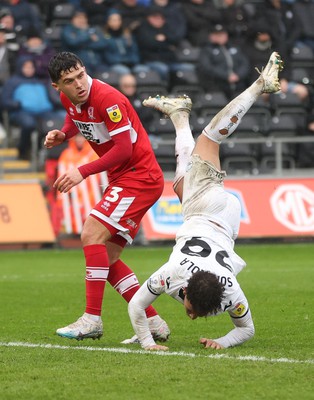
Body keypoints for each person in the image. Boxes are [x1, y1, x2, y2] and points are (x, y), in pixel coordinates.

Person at [126, 51, 284, 351]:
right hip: (207, 208)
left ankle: (179, 114)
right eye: (193, 308)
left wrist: (220, 341)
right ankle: (261, 85)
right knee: (210, 138)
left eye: (195, 312)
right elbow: (135, 306)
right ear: (185, 288)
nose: (192, 315)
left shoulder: (228, 289)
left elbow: (246, 330)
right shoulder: (174, 275)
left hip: (222, 222)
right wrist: (147, 343)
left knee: (179, 184)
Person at [44, 51, 170, 341]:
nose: (79, 84)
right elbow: (75, 117)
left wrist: (82, 172)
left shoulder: (107, 98)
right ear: (57, 87)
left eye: (81, 75)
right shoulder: (70, 98)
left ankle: (92, 319)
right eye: (69, 80)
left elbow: (124, 149)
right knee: (108, 258)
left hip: (138, 176)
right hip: (127, 178)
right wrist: (63, 135)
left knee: (90, 235)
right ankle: (153, 322)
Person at [1, 56, 65, 159]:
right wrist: (17, 104)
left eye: (31, 67)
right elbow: (4, 101)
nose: (29, 70)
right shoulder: (12, 82)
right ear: (20, 67)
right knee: (29, 124)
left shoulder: (39, 81)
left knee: (57, 121)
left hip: (43, 112)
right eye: (26, 67)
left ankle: (43, 151)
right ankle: (23, 150)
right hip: (21, 112)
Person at [196, 23, 250, 99]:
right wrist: (226, 76)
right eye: (216, 34)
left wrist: (238, 75)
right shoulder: (206, 50)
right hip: (217, 86)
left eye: (222, 34)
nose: (219, 37)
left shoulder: (234, 48)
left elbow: (244, 63)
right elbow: (206, 67)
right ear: (211, 36)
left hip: (238, 84)